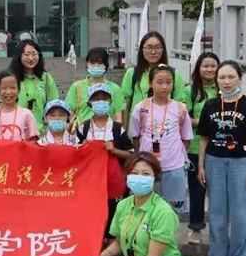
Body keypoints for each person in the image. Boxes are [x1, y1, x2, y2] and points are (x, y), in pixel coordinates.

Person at [197, 60, 246, 256]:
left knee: (240, 215)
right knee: (216, 214)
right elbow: (204, 138)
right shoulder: (210, 105)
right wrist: (201, 166)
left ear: (240, 79)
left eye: (231, 77)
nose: (226, 82)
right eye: (222, 77)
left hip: (241, 163)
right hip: (214, 162)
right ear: (216, 80)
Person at [98, 152, 191, 256]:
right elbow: (118, 244)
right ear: (126, 176)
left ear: (155, 179)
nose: (139, 178)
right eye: (134, 173)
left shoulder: (163, 211)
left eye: (146, 174)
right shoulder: (123, 205)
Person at [129, 64, 193, 214]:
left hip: (174, 166)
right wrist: (141, 157)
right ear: (151, 83)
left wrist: (176, 156)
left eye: (169, 82)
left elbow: (186, 138)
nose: (164, 86)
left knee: (172, 210)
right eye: (159, 82)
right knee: (145, 208)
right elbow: (135, 136)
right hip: (147, 166)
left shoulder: (180, 108)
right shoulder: (141, 107)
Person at [76, 83, 134, 240]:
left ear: (110, 102)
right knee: (92, 219)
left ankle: (111, 249)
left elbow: (131, 154)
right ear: (89, 103)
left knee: (112, 219)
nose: (100, 102)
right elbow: (74, 155)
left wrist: (114, 151)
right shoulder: (83, 128)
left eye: (104, 99)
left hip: (113, 183)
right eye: (96, 99)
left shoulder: (117, 129)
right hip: (90, 184)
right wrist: (83, 148)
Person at [184, 52, 220, 245]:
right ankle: (196, 227)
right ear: (198, 68)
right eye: (205, 65)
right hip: (196, 148)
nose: (209, 69)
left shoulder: (223, 89)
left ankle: (219, 228)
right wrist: (206, 123)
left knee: (219, 191)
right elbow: (184, 118)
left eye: (213, 66)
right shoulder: (190, 91)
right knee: (197, 189)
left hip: (221, 147)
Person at [121, 32, 186, 126]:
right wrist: (124, 130)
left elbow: (180, 105)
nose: (153, 52)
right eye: (149, 47)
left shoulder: (174, 74)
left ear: (163, 50)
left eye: (157, 47)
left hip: (165, 129)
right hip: (137, 128)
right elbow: (125, 104)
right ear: (142, 50)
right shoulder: (132, 73)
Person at [8, 39, 59, 131]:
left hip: (39, 133)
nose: (31, 58)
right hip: (15, 132)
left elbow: (54, 105)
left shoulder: (46, 78)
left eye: (34, 54)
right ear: (19, 56)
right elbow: (3, 105)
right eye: (27, 54)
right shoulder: (10, 78)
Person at [66, 47, 125, 126]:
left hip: (108, 132)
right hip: (82, 131)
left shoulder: (115, 88)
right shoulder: (76, 87)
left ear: (105, 64)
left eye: (100, 62)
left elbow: (118, 118)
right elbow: (70, 114)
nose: (96, 66)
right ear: (87, 64)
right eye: (92, 62)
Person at [0, 70, 39, 141]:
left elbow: (33, 142)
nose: (9, 92)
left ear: (19, 90)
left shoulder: (27, 114)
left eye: (13, 88)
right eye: (4, 88)